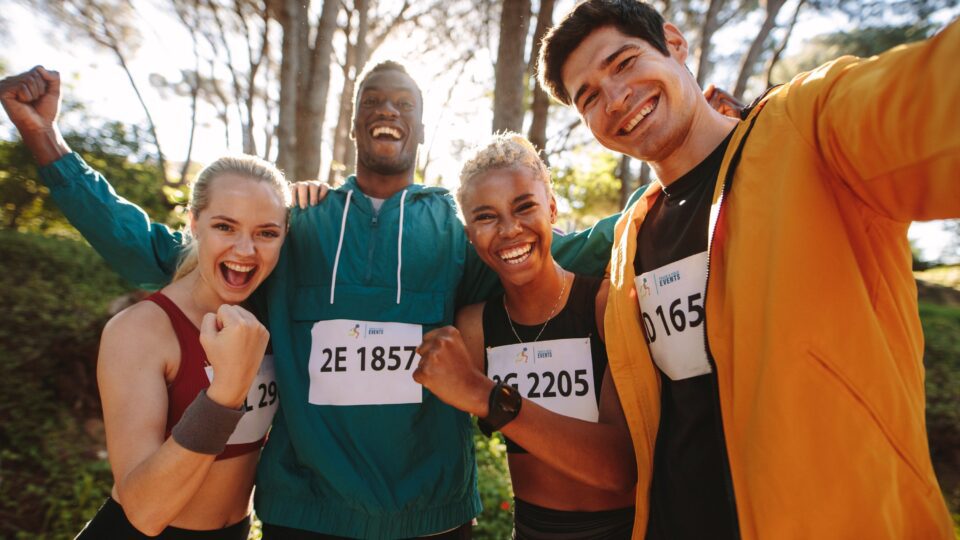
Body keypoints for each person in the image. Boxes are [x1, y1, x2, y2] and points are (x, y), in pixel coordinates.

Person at [0, 62, 625, 539]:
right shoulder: (297, 222)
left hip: (432, 515)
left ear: (422, 126)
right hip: (307, 515)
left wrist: (683, 184)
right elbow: (160, 251)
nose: (389, 110)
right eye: (373, 101)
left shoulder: (458, 230)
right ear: (352, 124)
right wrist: (50, 147)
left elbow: (564, 253)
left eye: (404, 102)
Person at [535, 1, 959, 539]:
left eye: (623, 63)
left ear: (674, 44)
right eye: (588, 96)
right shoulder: (628, 237)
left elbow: (932, 100)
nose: (615, 98)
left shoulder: (807, 126)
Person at [414, 133, 636, 539]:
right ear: (469, 236)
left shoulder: (606, 304)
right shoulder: (475, 327)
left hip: (621, 529)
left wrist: (486, 397)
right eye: (485, 217)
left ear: (551, 209)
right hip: (529, 529)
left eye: (525, 207)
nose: (510, 230)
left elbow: (619, 468)